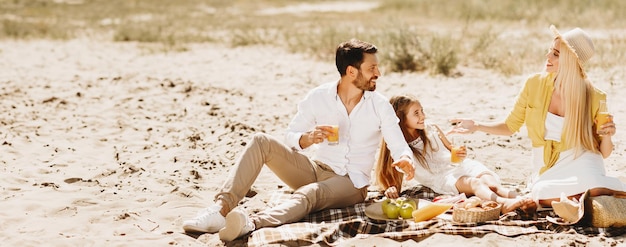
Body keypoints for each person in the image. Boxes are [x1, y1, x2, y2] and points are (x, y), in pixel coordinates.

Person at [182, 39, 415, 241]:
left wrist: (405, 159)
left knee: (310, 193)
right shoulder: (319, 96)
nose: (378, 73)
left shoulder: (379, 105)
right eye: (372, 67)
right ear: (351, 72)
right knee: (261, 141)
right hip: (315, 168)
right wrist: (307, 138)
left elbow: (397, 144)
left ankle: (251, 223)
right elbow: (290, 135)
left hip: (350, 182)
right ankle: (220, 210)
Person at [450, 25, 626, 209]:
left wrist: (607, 135)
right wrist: (477, 125)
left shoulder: (595, 96)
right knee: (541, 191)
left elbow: (604, 152)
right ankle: (590, 196)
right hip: (548, 166)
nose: (548, 57)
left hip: (582, 159)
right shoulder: (534, 84)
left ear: (571, 61)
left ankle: (591, 193)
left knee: (590, 180)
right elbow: (510, 126)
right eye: (550, 51)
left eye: (556, 54)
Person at [375, 95, 533, 213]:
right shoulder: (400, 147)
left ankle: (521, 200)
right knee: (475, 184)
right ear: (401, 119)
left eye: (422, 111)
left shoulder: (432, 128)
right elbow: (396, 170)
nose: (422, 116)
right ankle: (504, 204)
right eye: (416, 113)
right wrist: (391, 188)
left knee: (491, 184)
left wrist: (459, 152)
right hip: (443, 177)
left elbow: (450, 150)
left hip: (459, 167)